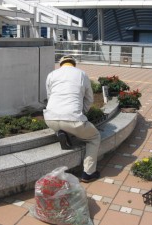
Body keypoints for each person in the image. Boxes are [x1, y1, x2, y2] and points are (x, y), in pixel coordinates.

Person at [43, 55, 101, 183]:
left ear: (61, 64)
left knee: (65, 124)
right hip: (73, 119)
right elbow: (89, 99)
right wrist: (83, 113)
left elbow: (49, 96)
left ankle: (62, 131)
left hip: (50, 119)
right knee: (94, 137)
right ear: (74, 64)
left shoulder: (52, 74)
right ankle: (88, 173)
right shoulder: (82, 74)